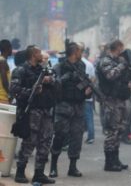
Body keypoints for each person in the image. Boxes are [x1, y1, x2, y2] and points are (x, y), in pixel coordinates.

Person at [11, 46, 59, 184]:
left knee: (45, 142)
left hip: (45, 111)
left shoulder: (43, 70)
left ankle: (39, 173)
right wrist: (31, 90)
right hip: (31, 112)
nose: (41, 55)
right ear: (33, 55)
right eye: (39, 53)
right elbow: (14, 90)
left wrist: (50, 80)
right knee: (29, 142)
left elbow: (56, 83)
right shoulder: (21, 70)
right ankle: (20, 172)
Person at [49, 42, 93, 178]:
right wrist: (66, 77)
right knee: (60, 135)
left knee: (77, 137)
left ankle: (72, 167)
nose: (82, 53)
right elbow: (54, 85)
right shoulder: (59, 67)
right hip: (63, 106)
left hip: (78, 106)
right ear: (74, 52)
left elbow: (83, 84)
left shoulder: (82, 65)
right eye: (80, 51)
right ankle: (53, 166)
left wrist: (87, 90)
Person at [96, 40, 131, 171]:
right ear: (117, 48)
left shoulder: (118, 61)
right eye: (121, 49)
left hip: (120, 99)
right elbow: (110, 76)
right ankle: (109, 162)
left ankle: (116, 159)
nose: (123, 52)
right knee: (112, 131)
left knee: (119, 130)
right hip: (110, 101)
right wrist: (122, 66)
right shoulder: (105, 61)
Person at [80, 43, 96, 144]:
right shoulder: (89, 64)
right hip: (87, 95)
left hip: (78, 96)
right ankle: (91, 136)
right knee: (89, 117)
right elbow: (93, 79)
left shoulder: (76, 64)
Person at [0, 39, 12, 104]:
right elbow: (4, 81)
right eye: (11, 47)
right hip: (2, 98)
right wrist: (10, 94)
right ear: (8, 48)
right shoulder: (2, 61)